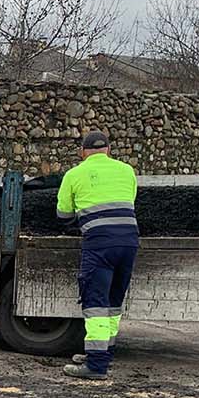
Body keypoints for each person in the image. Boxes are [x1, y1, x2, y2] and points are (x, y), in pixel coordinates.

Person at [56, 131, 139, 380]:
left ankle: (96, 365)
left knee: (95, 303)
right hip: (129, 241)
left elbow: (63, 213)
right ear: (109, 150)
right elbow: (131, 200)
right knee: (113, 302)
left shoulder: (74, 174)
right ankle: (104, 352)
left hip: (100, 244)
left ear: (82, 152)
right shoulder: (127, 171)